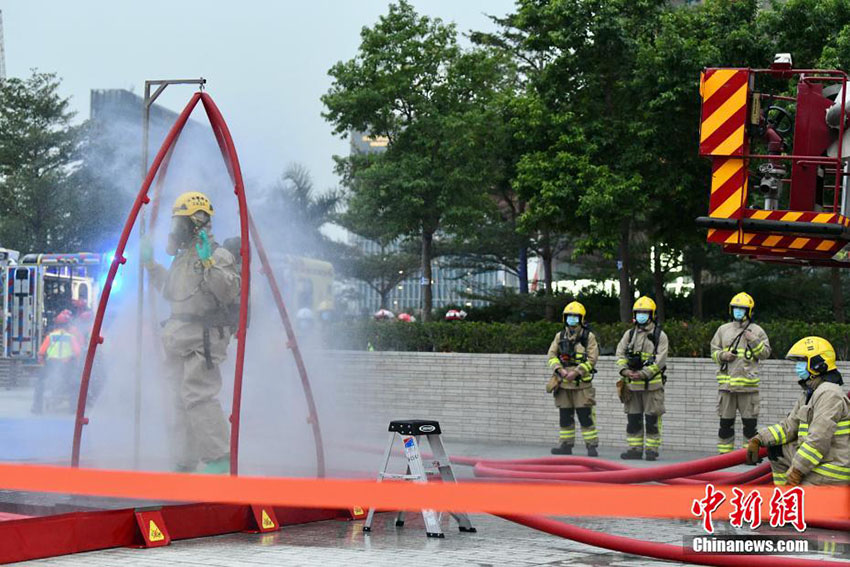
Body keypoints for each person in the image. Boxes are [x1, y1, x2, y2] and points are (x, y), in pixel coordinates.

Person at [142, 191, 241, 474]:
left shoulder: (217, 254)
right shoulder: (183, 258)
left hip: (203, 337)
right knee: (176, 397)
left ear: (197, 221)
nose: (175, 229)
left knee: (197, 396)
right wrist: (152, 266)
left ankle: (220, 458)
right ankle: (185, 459)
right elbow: (174, 293)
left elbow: (227, 290)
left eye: (180, 222)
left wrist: (209, 262)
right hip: (178, 335)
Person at [747, 337, 850, 486]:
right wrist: (759, 439)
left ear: (817, 364)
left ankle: (790, 496)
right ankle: (785, 497)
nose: (798, 367)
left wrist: (797, 470)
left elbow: (818, 439)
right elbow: (788, 427)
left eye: (802, 361)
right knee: (777, 450)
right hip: (818, 464)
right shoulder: (810, 393)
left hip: (829, 472)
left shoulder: (830, 393)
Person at [710, 292, 771, 455]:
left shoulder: (757, 331)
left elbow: (765, 353)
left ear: (749, 311)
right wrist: (723, 355)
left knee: (750, 426)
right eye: (735, 308)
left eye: (742, 309)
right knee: (725, 425)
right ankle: (724, 456)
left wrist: (753, 339)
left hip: (748, 389)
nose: (738, 311)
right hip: (727, 388)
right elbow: (713, 351)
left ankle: (749, 456)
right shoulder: (723, 330)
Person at [615, 297, 668, 461]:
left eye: (645, 313)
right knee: (633, 419)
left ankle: (652, 450)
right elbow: (620, 354)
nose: (641, 316)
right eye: (639, 313)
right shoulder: (629, 334)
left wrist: (643, 373)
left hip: (652, 387)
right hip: (632, 386)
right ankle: (634, 449)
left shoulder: (660, 335)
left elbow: (661, 359)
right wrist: (625, 370)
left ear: (652, 315)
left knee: (652, 418)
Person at [546, 301, 599, 456]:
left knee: (585, 416)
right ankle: (565, 445)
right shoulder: (560, 336)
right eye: (569, 317)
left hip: (581, 385)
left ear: (581, 319)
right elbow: (551, 355)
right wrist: (560, 370)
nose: (572, 320)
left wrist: (577, 372)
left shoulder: (588, 337)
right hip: (563, 384)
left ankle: (591, 446)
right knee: (565, 417)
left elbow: (592, 359)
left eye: (575, 317)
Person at [34, 310, 81, 414]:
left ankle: (37, 408)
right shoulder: (71, 337)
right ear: (68, 325)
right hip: (67, 366)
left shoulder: (50, 336)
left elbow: (41, 353)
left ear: (56, 324)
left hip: (51, 365)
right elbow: (78, 353)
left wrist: (42, 364)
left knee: (39, 384)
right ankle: (73, 408)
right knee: (75, 385)